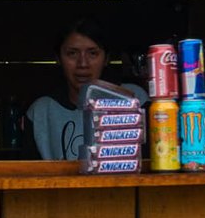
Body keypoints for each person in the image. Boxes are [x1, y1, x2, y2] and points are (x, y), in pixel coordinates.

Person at [24, 18, 146, 160]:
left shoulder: (133, 100)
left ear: (106, 58)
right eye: (72, 53)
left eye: (93, 53)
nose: (83, 64)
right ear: (58, 58)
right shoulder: (42, 112)